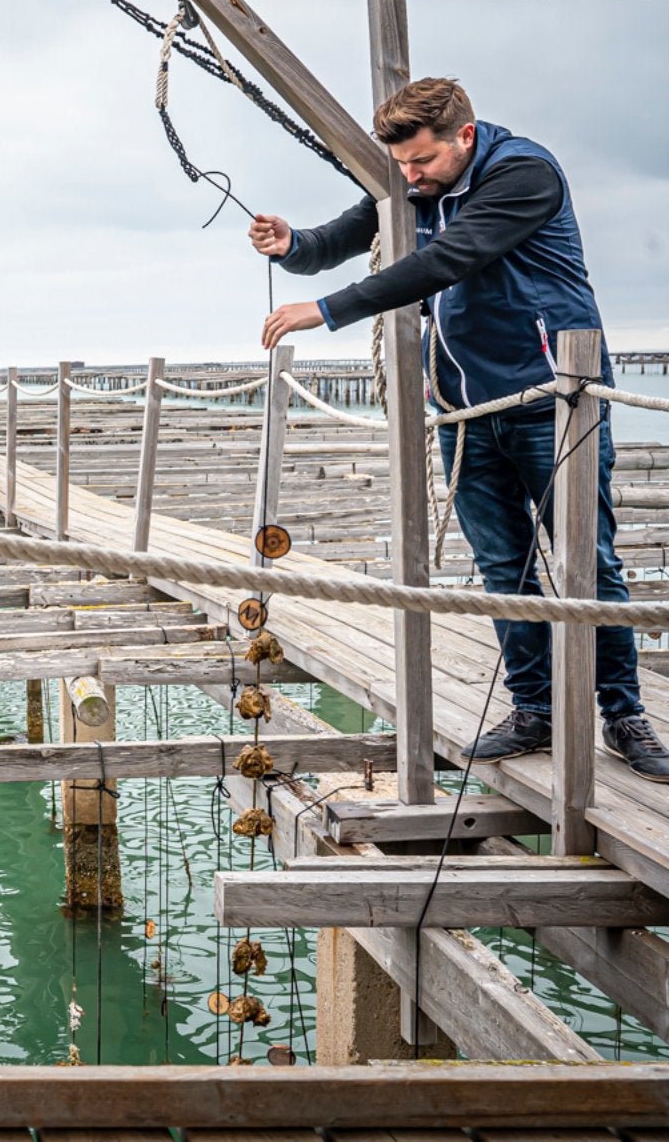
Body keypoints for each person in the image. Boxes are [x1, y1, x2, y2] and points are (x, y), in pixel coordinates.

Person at [248, 77, 669, 781]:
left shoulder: (522, 174)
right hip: (466, 413)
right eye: (403, 167)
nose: (410, 178)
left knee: (588, 565)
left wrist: (324, 310)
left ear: (464, 138)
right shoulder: (415, 183)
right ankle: (533, 711)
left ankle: (624, 714)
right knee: (504, 569)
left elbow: (445, 261)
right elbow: (341, 239)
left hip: (553, 402)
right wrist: (292, 244)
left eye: (422, 164)